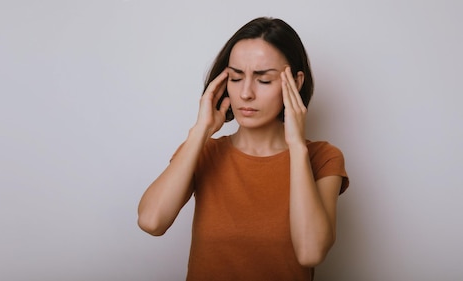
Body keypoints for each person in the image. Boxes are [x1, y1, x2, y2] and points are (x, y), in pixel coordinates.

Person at [137, 17, 349, 280]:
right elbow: (151, 222)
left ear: (295, 82)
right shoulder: (203, 151)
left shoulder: (322, 157)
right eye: (236, 78)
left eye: (264, 80)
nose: (246, 93)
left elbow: (310, 252)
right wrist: (200, 130)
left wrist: (296, 145)